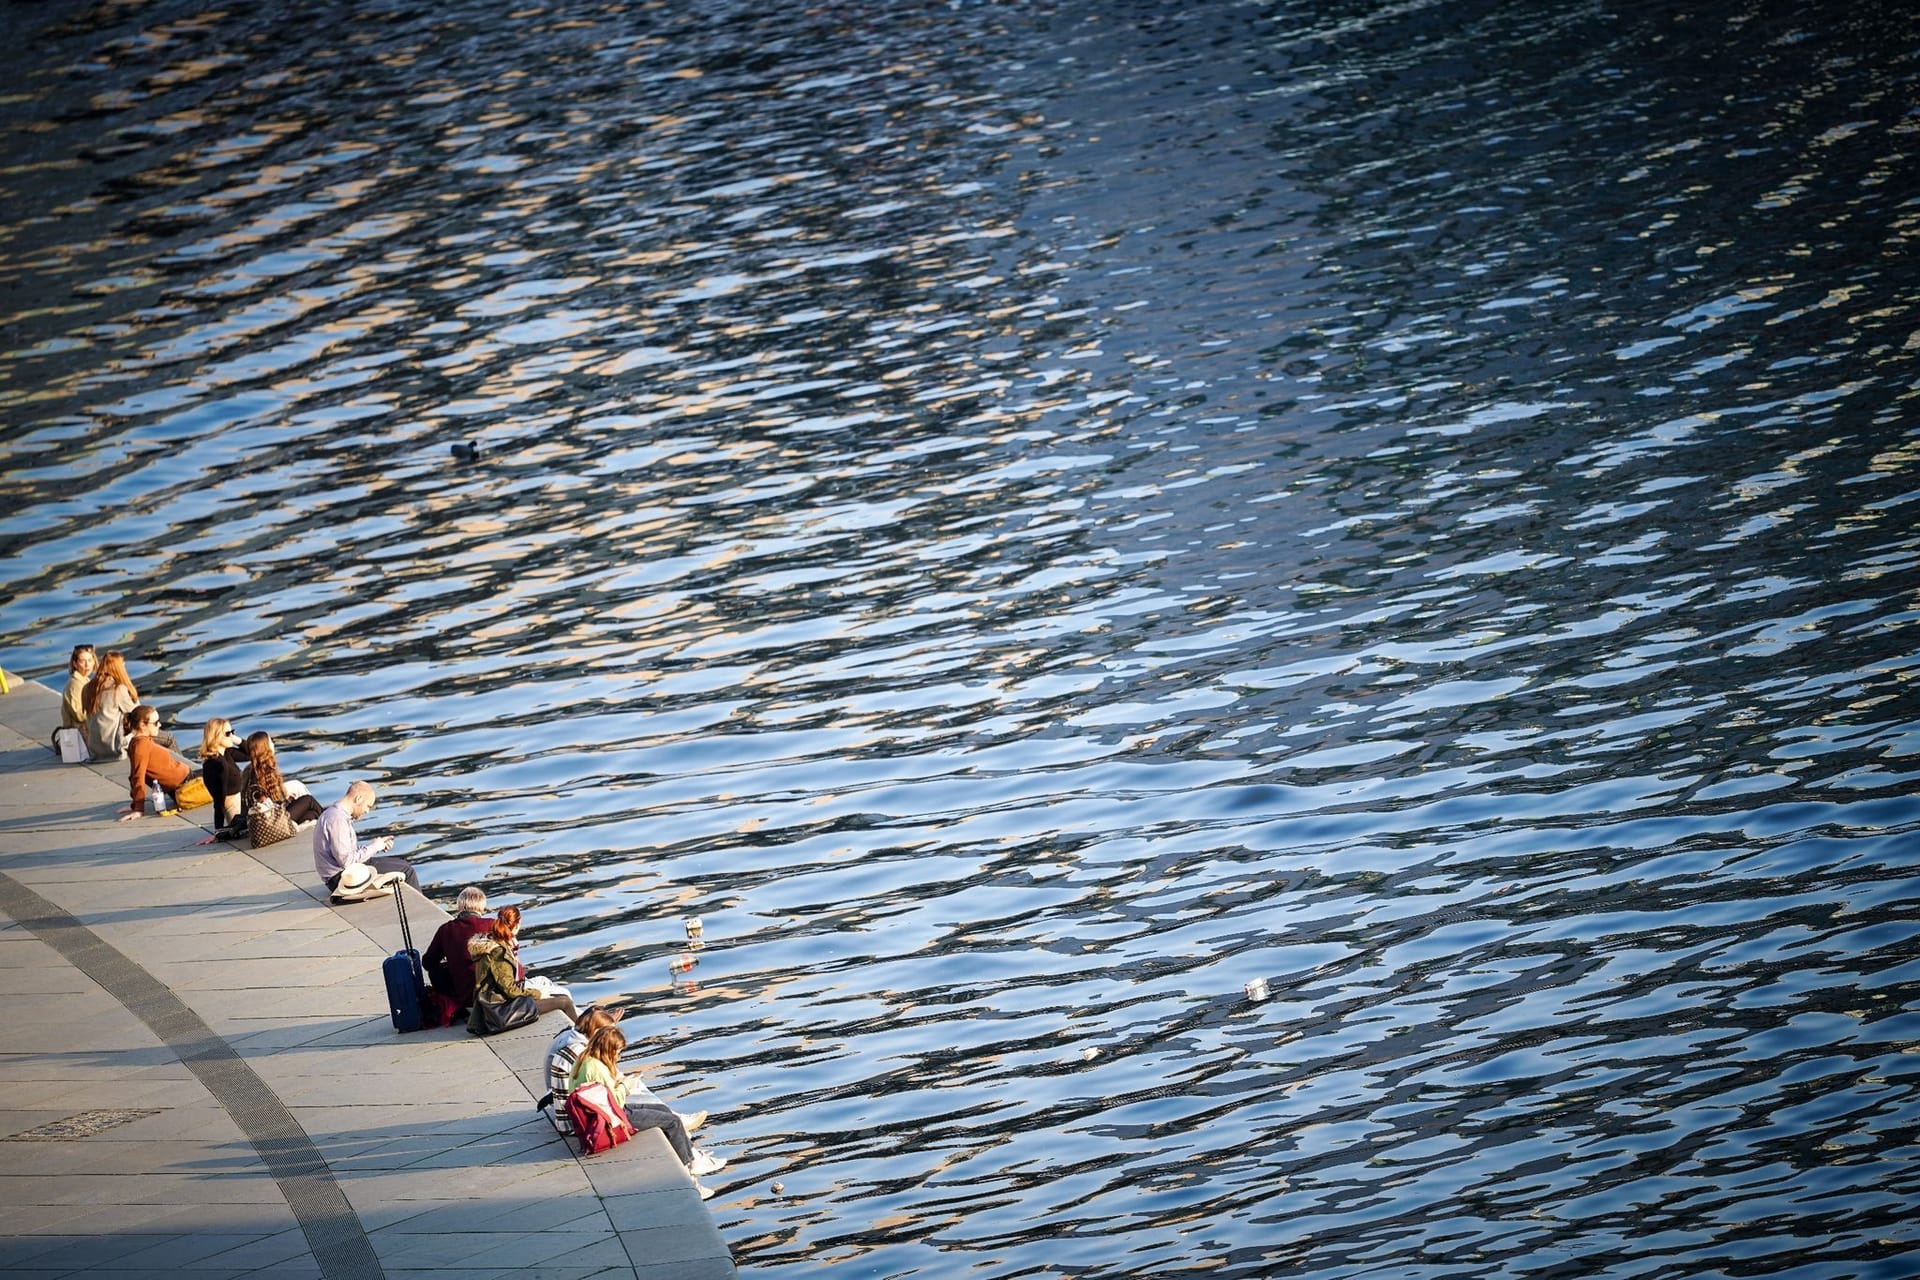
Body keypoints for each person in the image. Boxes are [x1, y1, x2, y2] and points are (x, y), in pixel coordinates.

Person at [570, 1025, 726, 1192]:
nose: (619, 1057)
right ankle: (688, 1166)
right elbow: (612, 1102)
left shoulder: (586, 1059)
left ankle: (693, 1156)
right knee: (672, 1122)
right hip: (611, 1120)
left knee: (662, 1109)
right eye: (618, 1051)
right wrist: (626, 1086)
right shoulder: (597, 1069)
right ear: (608, 1049)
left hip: (602, 1114)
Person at [544, 1005, 706, 1142]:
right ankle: (683, 1135)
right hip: (579, 1122)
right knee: (642, 1095)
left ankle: (681, 1126)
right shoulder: (584, 1055)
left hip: (571, 1113)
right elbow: (610, 1101)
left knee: (652, 1103)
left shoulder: (572, 1041)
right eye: (609, 1032)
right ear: (597, 1032)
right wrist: (625, 1086)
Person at [467, 906, 580, 1030]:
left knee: (554, 991)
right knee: (565, 1002)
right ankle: (584, 1036)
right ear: (517, 925)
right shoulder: (499, 952)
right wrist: (536, 993)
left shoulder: (492, 941)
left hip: (493, 1004)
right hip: (499, 1010)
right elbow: (510, 990)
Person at [313, 780, 418, 893]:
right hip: (342, 878)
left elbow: (346, 852)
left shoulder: (334, 814)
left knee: (402, 863)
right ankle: (420, 910)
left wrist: (374, 846)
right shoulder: (337, 819)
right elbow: (347, 861)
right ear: (358, 799)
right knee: (407, 870)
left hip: (341, 874)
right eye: (368, 806)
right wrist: (375, 847)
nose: (367, 811)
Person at [82, 651, 177, 760]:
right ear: (118, 667)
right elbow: (139, 713)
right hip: (115, 748)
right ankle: (185, 773)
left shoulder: (86, 688)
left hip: (95, 748)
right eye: (123, 665)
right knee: (169, 738)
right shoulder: (118, 689)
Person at [423, 886, 494, 1015]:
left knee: (436, 971)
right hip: (493, 992)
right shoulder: (492, 924)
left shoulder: (446, 930)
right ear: (482, 907)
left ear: (459, 907)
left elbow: (428, 963)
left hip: (466, 998)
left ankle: (457, 1004)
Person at [120, 705, 191, 821]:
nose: (160, 725)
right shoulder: (141, 746)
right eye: (156, 722)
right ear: (142, 725)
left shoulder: (138, 741)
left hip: (182, 781)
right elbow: (137, 777)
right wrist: (138, 808)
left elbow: (134, 776)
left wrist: (135, 804)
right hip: (187, 783)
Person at [243, 732, 322, 828]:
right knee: (308, 800)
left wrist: (285, 798)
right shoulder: (266, 770)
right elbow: (266, 804)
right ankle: (329, 818)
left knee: (311, 814)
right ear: (265, 747)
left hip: (262, 822)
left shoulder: (251, 770)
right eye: (270, 741)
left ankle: (324, 818)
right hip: (271, 822)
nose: (273, 743)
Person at [199, 718, 250, 839]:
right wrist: (218, 830)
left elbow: (251, 754)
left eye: (232, 731)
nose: (231, 736)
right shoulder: (215, 764)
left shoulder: (226, 753)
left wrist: (236, 739)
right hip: (234, 808)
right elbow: (219, 799)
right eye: (227, 734)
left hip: (241, 801)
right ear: (216, 737)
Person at [60, 645, 96, 730]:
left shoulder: (85, 680)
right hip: (79, 734)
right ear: (75, 664)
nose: (87, 665)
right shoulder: (74, 684)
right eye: (82, 661)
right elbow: (79, 715)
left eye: (90, 660)